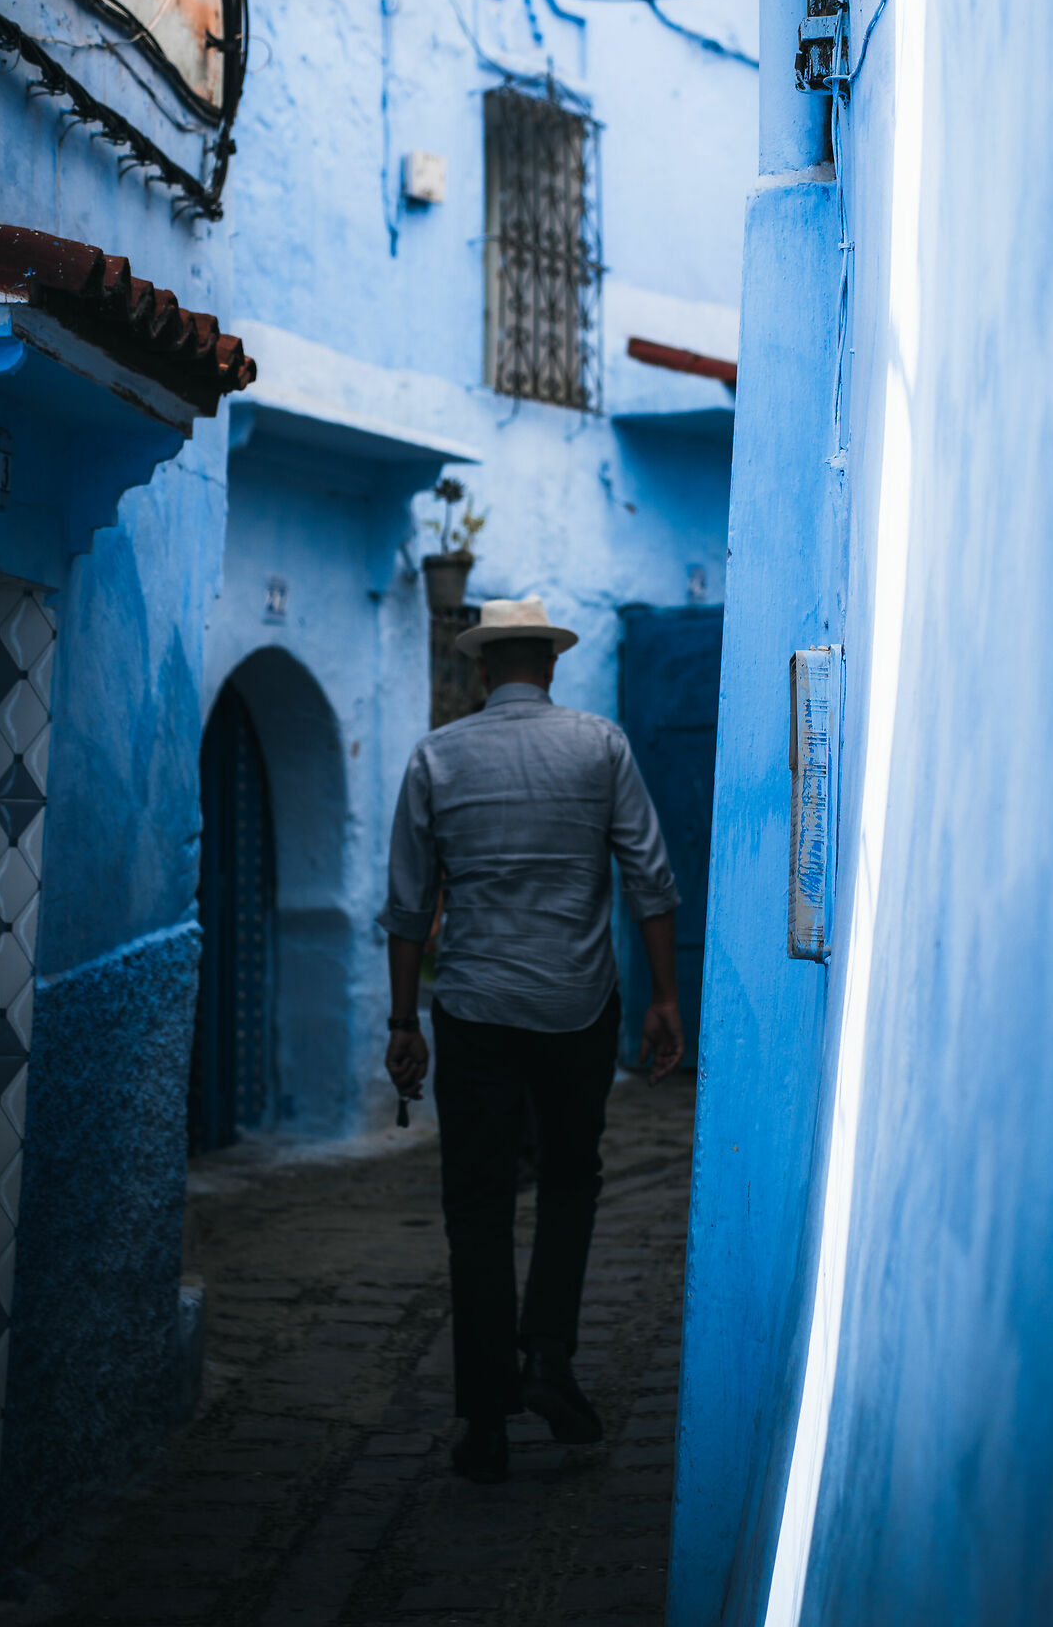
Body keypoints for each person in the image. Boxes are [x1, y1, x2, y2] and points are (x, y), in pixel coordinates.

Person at [381, 593, 684, 1484]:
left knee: (475, 1205)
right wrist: (665, 997)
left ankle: (483, 1418)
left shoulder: (437, 757)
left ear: (483, 669)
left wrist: (404, 1021)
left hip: (472, 1010)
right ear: (549, 664)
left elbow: (408, 903)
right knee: (571, 1176)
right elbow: (651, 878)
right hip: (578, 1006)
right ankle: (548, 1353)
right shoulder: (601, 746)